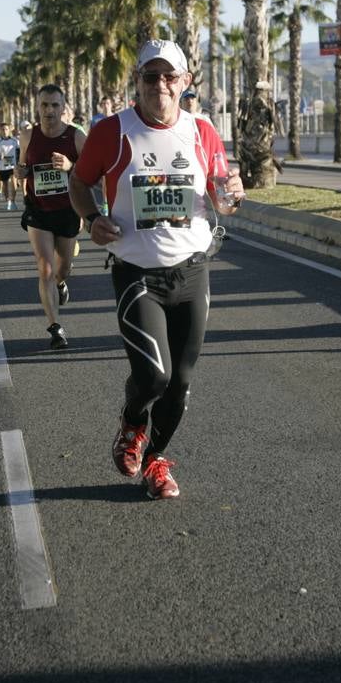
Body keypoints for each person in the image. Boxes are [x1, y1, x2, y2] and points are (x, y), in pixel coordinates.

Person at [69, 39, 245, 501]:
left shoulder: (203, 132)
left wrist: (231, 195)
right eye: (151, 76)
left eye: (170, 77)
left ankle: (156, 461)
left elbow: (222, 196)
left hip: (191, 271)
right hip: (136, 274)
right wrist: (92, 219)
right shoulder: (112, 132)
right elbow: (79, 181)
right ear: (138, 81)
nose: (160, 86)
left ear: (185, 83)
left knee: (180, 382)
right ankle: (132, 423)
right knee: (154, 377)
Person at [16, 84, 85, 350]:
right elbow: (22, 165)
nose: (49, 111)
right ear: (38, 107)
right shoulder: (27, 135)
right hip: (38, 210)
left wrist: (70, 166)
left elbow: (93, 171)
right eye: (45, 105)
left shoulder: (75, 137)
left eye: (55, 105)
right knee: (44, 267)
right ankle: (55, 327)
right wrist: (20, 172)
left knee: (61, 268)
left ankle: (62, 282)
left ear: (63, 108)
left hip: (68, 210)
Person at [0, 124, 21, 210]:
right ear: (1, 131)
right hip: (3, 166)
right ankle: (7, 200)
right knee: (5, 184)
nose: (5, 131)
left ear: (9, 130)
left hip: (13, 165)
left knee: (14, 181)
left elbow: (20, 151)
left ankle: (13, 200)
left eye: (6, 129)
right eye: (3, 129)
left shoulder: (15, 140)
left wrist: (19, 162)